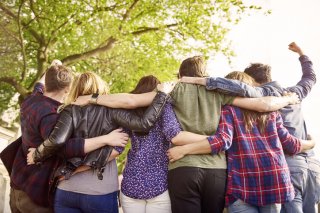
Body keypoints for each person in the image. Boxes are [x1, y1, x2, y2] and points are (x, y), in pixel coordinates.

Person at [75, 57, 300, 213]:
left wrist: (92, 98)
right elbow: (262, 104)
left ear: (180, 74)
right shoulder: (218, 93)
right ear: (204, 74)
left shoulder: (174, 90)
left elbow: (131, 100)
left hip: (182, 170)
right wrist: (289, 99)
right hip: (216, 171)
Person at [180, 42, 319, 213]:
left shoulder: (239, 106)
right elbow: (310, 78)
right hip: (279, 178)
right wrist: (302, 54)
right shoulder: (286, 99)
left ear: (251, 85)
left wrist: (186, 148)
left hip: (242, 185)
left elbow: (223, 140)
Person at [27, 72, 174, 213]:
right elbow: (140, 126)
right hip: (100, 190)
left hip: (66, 188)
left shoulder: (68, 110)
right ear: (101, 88)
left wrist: (38, 154)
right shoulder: (112, 110)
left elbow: (56, 142)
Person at [9, 64, 127, 213]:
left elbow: (39, 85)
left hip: (19, 187)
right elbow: (63, 146)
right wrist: (106, 139)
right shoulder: (54, 116)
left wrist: (53, 68)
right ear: (66, 88)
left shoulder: (32, 100)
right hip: (38, 194)